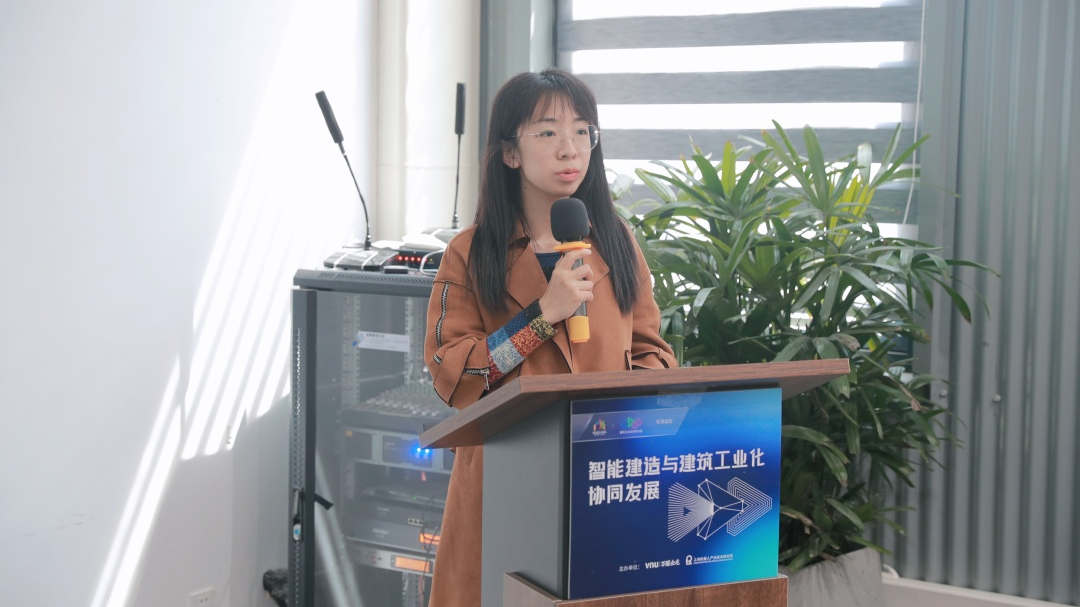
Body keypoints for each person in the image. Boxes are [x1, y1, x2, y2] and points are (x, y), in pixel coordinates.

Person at [423, 67, 676, 607]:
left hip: (604, 474)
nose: (570, 148)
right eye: (548, 132)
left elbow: (653, 352)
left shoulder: (616, 241)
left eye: (583, 131)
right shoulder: (470, 253)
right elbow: (454, 376)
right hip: (505, 482)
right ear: (509, 153)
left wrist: (626, 420)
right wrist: (543, 315)